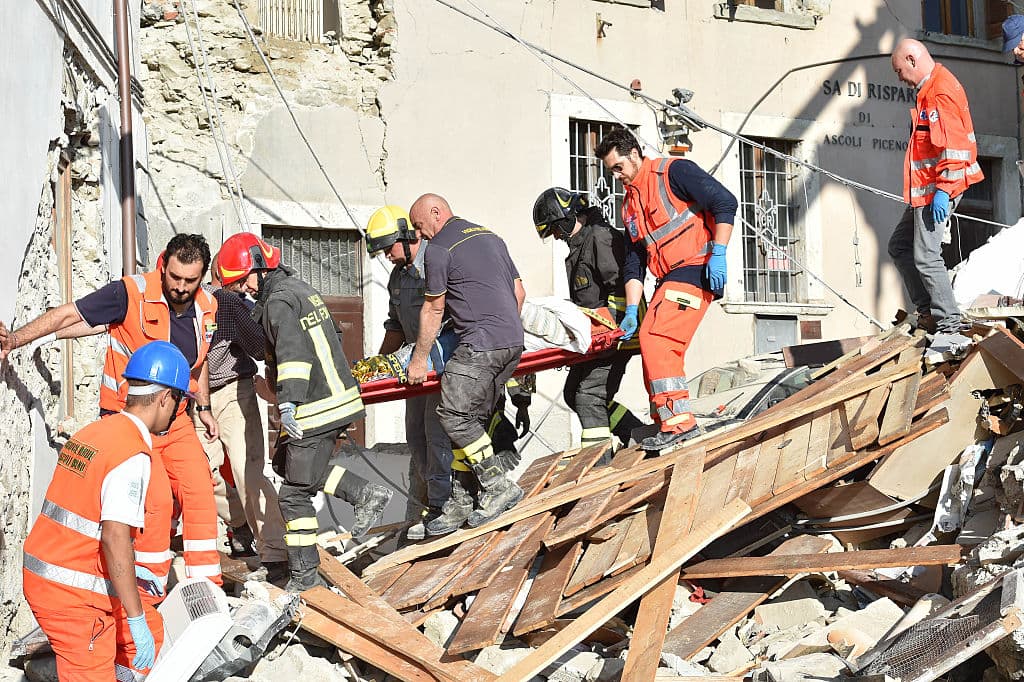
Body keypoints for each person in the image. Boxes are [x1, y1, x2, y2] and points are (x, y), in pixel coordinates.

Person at [1, 234, 224, 585]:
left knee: (200, 496)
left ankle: (206, 591)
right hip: (131, 423)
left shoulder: (207, 307)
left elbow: (199, 361)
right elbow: (68, 315)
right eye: (175, 277)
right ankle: (147, 593)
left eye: (190, 281)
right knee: (156, 505)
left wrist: (206, 407)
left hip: (177, 421)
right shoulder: (129, 293)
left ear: (203, 276)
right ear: (163, 265)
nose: (180, 287)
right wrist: (14, 340)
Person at [216, 231, 392, 592]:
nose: (244, 290)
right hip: (333, 399)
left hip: (315, 406)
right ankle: (365, 494)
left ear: (261, 268)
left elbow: (293, 354)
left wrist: (288, 404)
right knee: (286, 466)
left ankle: (304, 576)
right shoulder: (300, 290)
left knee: (294, 496)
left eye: (243, 281)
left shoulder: (279, 302)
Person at [22, 341, 188, 681]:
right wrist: (135, 616)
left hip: (52, 571)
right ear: (165, 398)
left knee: (149, 632)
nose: (176, 411)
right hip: (69, 594)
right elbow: (114, 537)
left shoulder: (97, 432)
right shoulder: (132, 454)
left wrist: (141, 618)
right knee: (102, 658)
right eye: (179, 401)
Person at [596, 128, 737, 452]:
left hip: (696, 268)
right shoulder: (629, 206)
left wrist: (718, 252)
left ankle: (679, 423)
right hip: (669, 278)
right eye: (611, 171)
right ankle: (666, 420)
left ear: (634, 154)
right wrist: (632, 309)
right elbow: (634, 263)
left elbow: (724, 201)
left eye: (618, 167)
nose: (616, 176)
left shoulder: (672, 171)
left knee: (658, 339)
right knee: (648, 338)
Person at [406, 193, 526, 534]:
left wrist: (418, 361)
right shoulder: (490, 237)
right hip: (511, 342)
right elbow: (519, 293)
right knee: (468, 420)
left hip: (480, 343)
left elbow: (433, 309)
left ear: (436, 212)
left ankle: (498, 487)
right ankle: (461, 499)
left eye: (420, 225)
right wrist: (502, 331)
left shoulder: (440, 248)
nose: (421, 234)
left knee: (452, 414)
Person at [196, 255, 289, 583]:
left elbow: (260, 346)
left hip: (235, 392)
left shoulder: (227, 304)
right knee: (200, 475)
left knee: (247, 471)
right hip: (194, 398)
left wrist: (276, 385)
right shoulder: (175, 306)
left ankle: (276, 551)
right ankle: (239, 524)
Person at [532, 187, 645, 454]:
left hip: (616, 335)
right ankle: (635, 436)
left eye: (556, 230)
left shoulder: (599, 239)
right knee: (573, 393)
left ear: (567, 218)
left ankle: (597, 468)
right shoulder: (579, 244)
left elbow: (622, 289)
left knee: (589, 397)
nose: (557, 237)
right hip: (596, 338)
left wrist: (613, 326)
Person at [889, 38, 983, 336]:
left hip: (938, 190)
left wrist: (944, 189)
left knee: (926, 257)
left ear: (912, 60)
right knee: (900, 246)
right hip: (926, 191)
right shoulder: (930, 90)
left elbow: (954, 148)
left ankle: (948, 325)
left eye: (899, 70)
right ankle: (928, 311)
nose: (899, 78)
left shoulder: (939, 92)